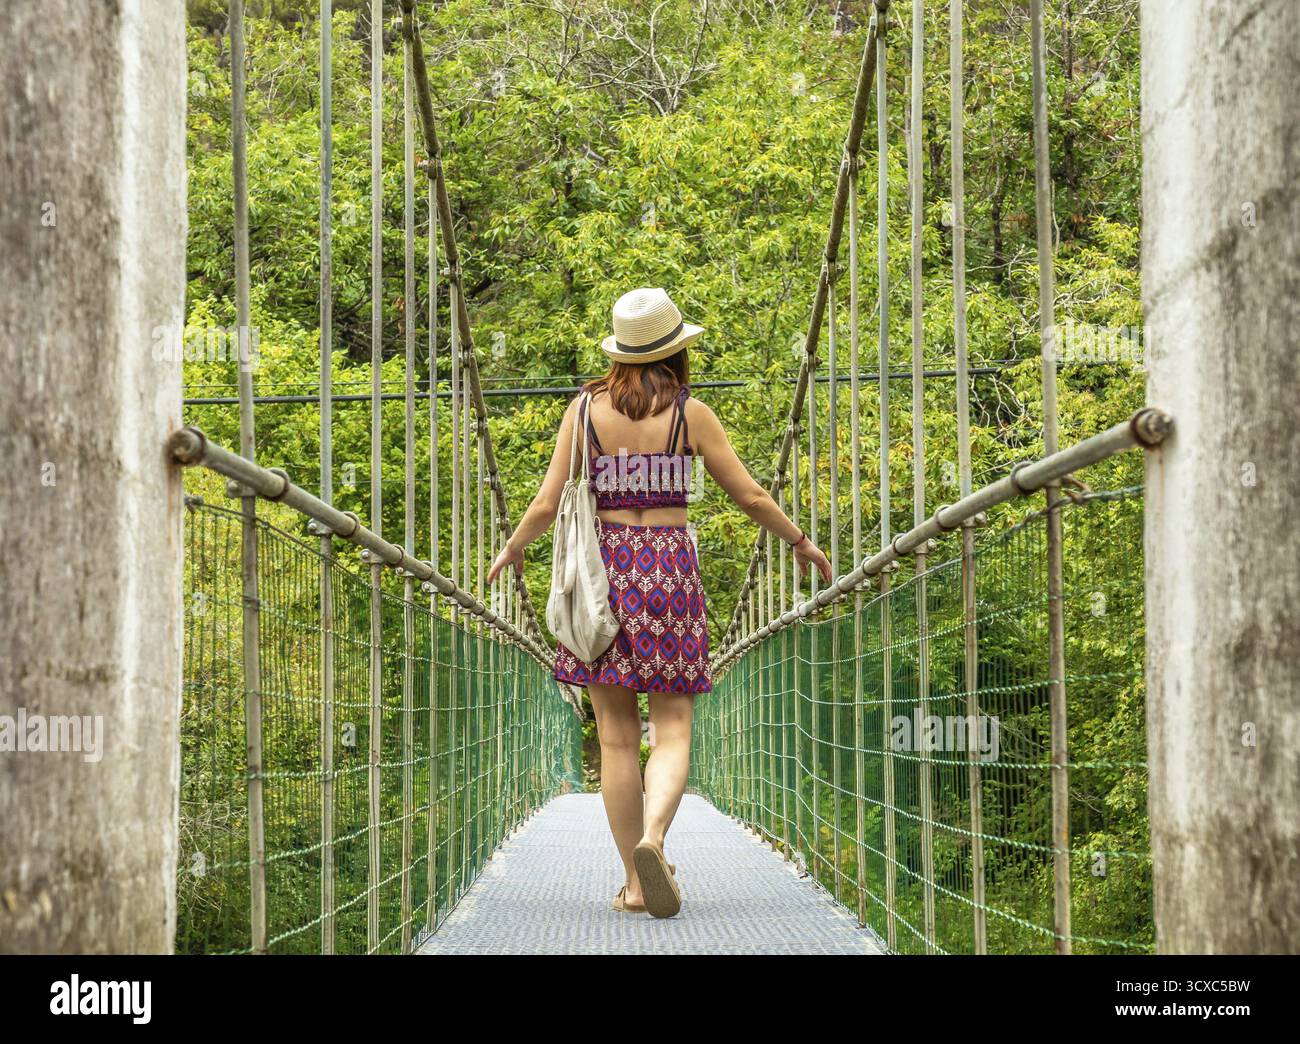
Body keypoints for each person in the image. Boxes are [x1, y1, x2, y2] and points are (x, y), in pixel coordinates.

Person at [488, 287, 832, 918]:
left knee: (618, 739)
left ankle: (637, 882)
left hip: (603, 573)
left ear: (618, 351)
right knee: (672, 729)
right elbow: (751, 497)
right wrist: (802, 543)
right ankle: (655, 839)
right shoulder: (690, 414)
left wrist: (512, 551)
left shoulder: (583, 410)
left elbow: (544, 503)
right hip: (668, 570)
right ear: (675, 350)